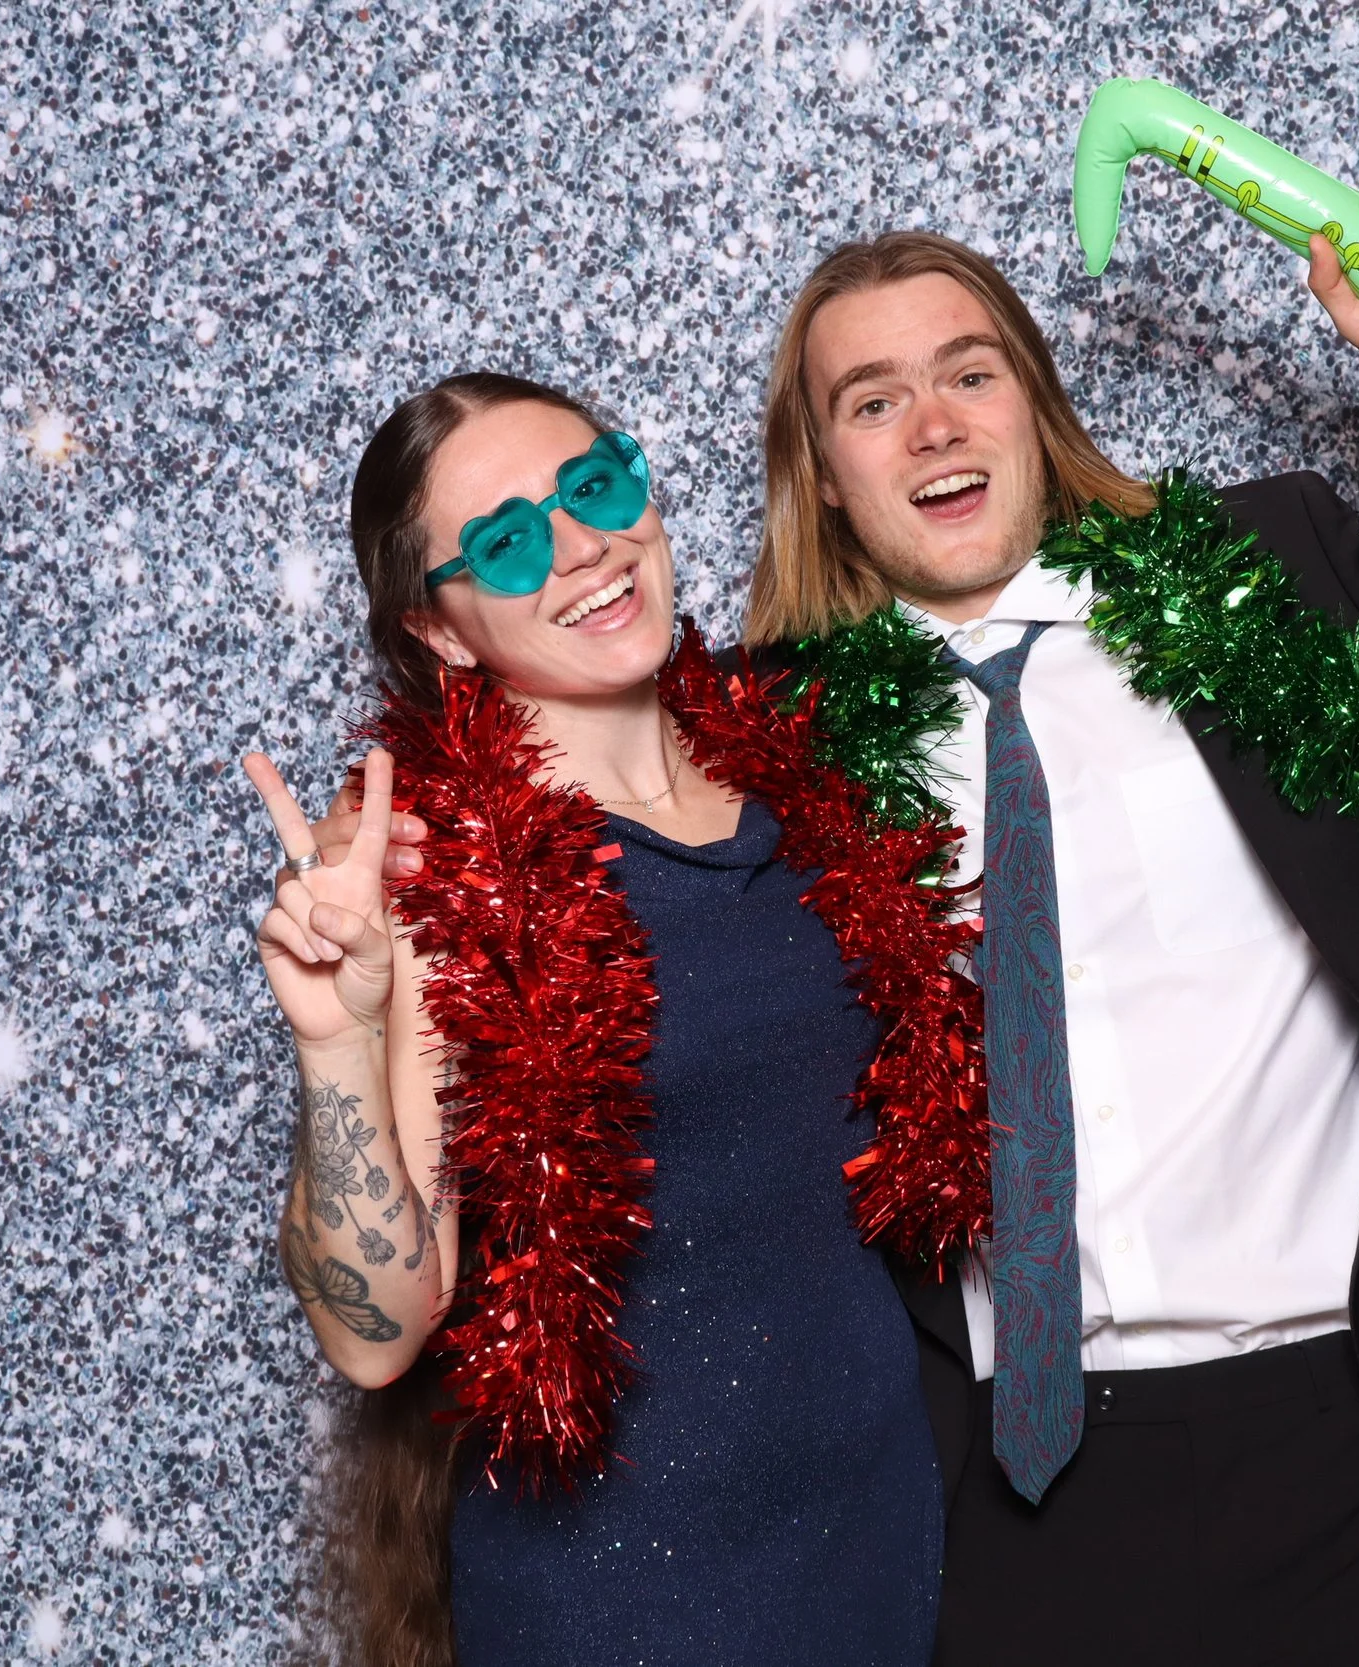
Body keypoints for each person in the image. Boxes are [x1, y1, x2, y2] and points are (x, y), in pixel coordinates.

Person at [727, 185, 1359, 1661]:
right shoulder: (766, 746)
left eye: (969, 374)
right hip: (1002, 1496)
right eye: (873, 403)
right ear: (822, 474)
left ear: (1034, 407)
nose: (933, 426)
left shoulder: (1267, 584)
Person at [242, 373, 956, 1667]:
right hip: (623, 1598)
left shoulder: (802, 767)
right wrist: (336, 1037)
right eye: (510, 541)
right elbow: (376, 1332)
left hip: (883, 1540)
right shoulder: (433, 868)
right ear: (442, 631)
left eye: (595, 487)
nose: (582, 545)